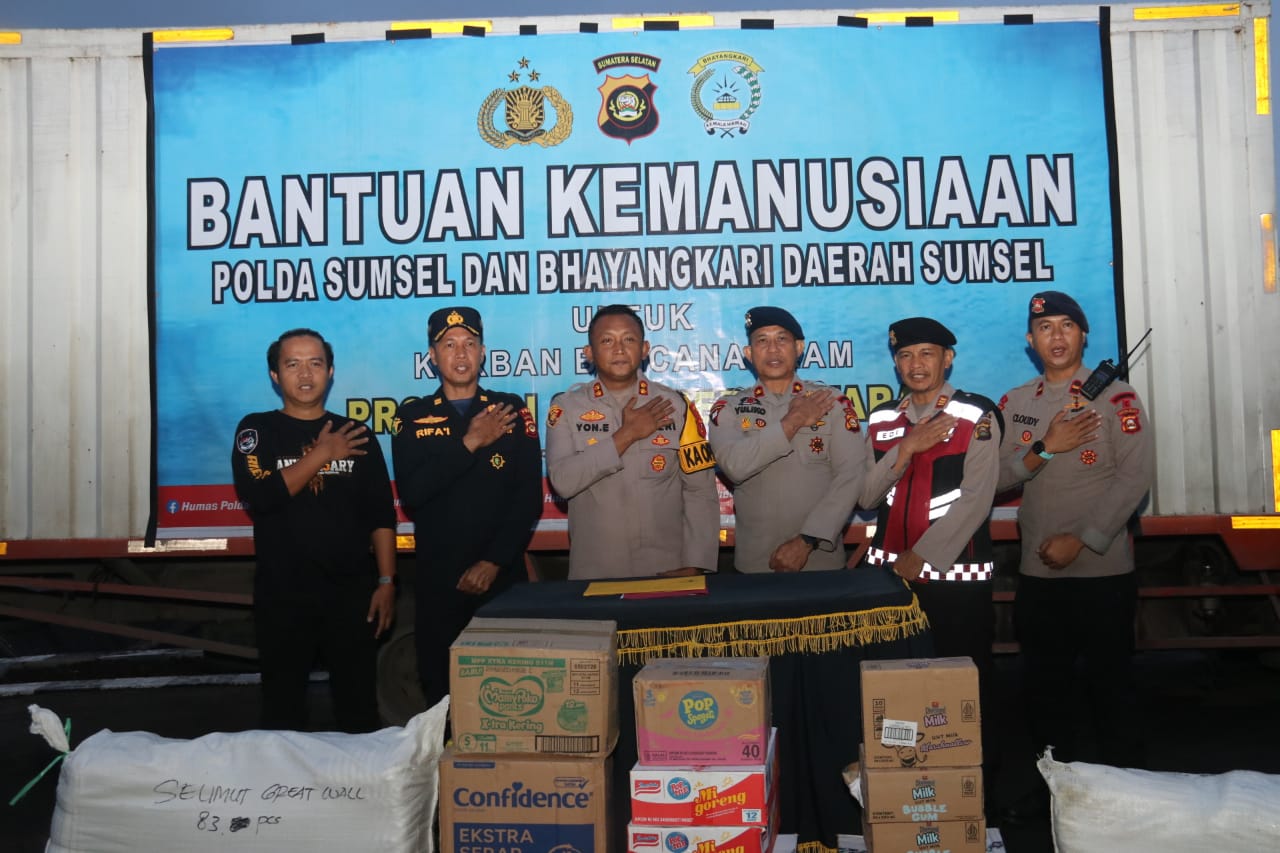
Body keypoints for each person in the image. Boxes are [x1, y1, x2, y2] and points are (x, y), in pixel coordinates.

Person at [997, 291, 1154, 778]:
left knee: (1112, 688)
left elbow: (1135, 477)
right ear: (1031, 340)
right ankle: (1054, 792)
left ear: (1084, 335)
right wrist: (1045, 446)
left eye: (1067, 325)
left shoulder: (1117, 397)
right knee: (1046, 692)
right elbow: (996, 478)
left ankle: (1127, 792)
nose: (1057, 336)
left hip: (1102, 573)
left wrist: (1081, 539)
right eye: (1045, 328)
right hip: (1038, 574)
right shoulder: (1016, 402)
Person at [859, 316, 1003, 803]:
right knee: (897, 691)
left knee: (963, 692)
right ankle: (905, 788)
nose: (915, 364)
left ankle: (976, 795)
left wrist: (921, 556)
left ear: (948, 359)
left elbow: (977, 500)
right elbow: (866, 494)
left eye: (926, 354)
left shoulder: (976, 414)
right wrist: (907, 447)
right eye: (905, 355)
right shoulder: (882, 419)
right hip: (889, 582)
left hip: (955, 579)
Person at [231, 328, 396, 733]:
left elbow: (380, 515)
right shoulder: (257, 431)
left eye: (315, 363)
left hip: (351, 595)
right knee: (282, 714)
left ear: (330, 371)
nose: (305, 374)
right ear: (275, 375)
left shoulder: (355, 434)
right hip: (283, 595)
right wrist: (323, 453)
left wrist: (387, 581)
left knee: (359, 712)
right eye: (293, 364)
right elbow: (262, 495)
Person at [392, 306, 543, 712]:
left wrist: (493, 562)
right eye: (449, 345)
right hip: (440, 578)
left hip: (502, 575)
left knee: (514, 688)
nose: (460, 354)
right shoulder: (411, 416)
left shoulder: (509, 409)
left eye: (470, 344)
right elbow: (414, 493)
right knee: (442, 690)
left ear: (483, 352)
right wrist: (470, 442)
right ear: (432, 356)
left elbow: (528, 497)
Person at [545, 304, 719, 580]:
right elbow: (563, 482)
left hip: (668, 570)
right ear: (589, 353)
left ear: (645, 349)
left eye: (628, 339)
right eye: (607, 341)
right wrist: (626, 435)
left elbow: (701, 491)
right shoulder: (566, 408)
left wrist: (697, 563)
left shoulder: (676, 405)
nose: (619, 349)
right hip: (595, 572)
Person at [708, 306, 866, 572]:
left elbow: (851, 477)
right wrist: (791, 423)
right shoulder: (729, 408)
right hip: (755, 566)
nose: (773, 349)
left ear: (799, 347)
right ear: (749, 353)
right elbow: (734, 467)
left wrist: (807, 541)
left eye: (782, 339)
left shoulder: (831, 402)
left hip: (821, 562)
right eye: (762, 341)